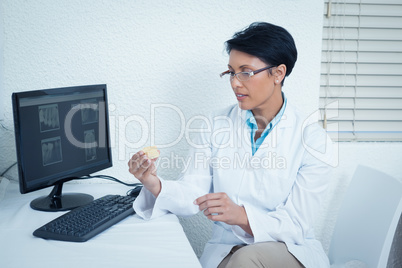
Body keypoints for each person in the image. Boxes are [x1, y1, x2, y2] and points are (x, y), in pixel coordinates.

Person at [128, 22, 334, 268]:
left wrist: (241, 216)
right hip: (229, 248)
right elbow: (193, 191)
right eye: (231, 72)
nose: (235, 83)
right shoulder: (215, 124)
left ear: (278, 73)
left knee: (245, 260)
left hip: (288, 249)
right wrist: (153, 182)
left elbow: (296, 224)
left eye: (245, 72)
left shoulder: (313, 139)